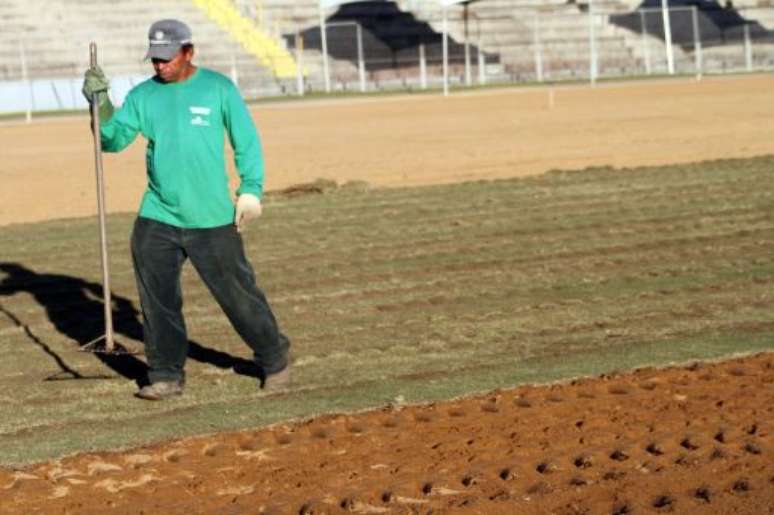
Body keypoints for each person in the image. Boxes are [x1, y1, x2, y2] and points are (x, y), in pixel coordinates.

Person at [81, 19, 291, 400]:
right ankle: (165, 374)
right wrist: (101, 104)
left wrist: (251, 191)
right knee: (158, 301)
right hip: (158, 215)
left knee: (238, 297)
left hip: (211, 218)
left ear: (188, 52)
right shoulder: (145, 95)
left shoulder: (218, 88)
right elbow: (111, 141)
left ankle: (274, 358)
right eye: (154, 59)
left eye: (167, 58)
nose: (159, 66)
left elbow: (247, 141)